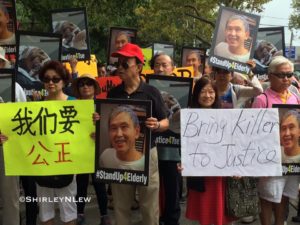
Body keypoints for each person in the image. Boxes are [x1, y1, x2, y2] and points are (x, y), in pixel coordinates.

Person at [96, 42, 169, 225]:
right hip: (120, 156)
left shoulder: (151, 92)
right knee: (121, 205)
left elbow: (166, 121)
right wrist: (99, 118)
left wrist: (158, 124)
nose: (119, 67)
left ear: (138, 67)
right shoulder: (114, 93)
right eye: (117, 63)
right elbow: (109, 120)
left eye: (124, 64)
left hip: (147, 154)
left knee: (149, 206)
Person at [252, 56, 299, 225]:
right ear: (270, 75)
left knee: (284, 198)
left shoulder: (295, 97)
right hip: (269, 157)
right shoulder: (261, 100)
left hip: (290, 158)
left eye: (289, 74)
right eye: (281, 75)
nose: (286, 79)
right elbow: (253, 132)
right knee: (267, 199)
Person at [185, 76, 237, 225]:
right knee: (204, 212)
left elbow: (232, 143)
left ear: (216, 94)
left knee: (220, 211)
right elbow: (186, 144)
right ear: (196, 94)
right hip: (200, 173)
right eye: (203, 92)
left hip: (219, 173)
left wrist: (237, 165)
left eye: (211, 92)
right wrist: (184, 162)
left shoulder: (225, 117)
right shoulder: (188, 116)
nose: (207, 96)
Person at [36, 60, 77, 225]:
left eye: (55, 79)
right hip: (42, 162)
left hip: (67, 162)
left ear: (64, 80)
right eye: (46, 79)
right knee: (45, 211)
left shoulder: (75, 104)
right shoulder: (36, 107)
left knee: (68, 209)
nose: (50, 82)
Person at [71, 74, 111, 225]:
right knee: (80, 183)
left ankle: (104, 214)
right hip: (80, 149)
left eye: (89, 84)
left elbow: (110, 125)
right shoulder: (73, 106)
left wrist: (99, 128)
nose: (85, 87)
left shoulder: (102, 105)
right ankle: (79, 212)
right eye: (82, 84)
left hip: (97, 149)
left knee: (99, 182)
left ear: (95, 88)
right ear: (78, 89)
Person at [151, 52, 181, 225]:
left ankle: (171, 221)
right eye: (157, 65)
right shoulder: (146, 89)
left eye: (165, 65)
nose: (161, 68)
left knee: (172, 191)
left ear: (173, 68)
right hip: (152, 149)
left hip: (172, 150)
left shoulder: (183, 89)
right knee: (152, 191)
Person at [0, 48, 26, 225]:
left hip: (8, 149)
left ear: (3, 63)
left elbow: (24, 117)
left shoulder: (16, 87)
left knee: (10, 198)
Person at [99, 106, 144, 171]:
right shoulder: (105, 156)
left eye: (124, 127)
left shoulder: (146, 165)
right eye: (114, 128)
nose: (118, 134)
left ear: (136, 132)